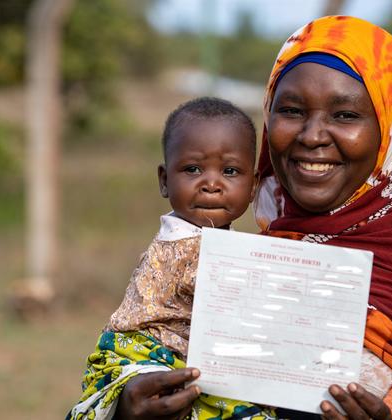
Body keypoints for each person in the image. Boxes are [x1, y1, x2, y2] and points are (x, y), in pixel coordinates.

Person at [73, 16, 392, 420]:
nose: (312, 136)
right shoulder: (235, 260)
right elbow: (129, 358)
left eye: (345, 115)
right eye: (291, 111)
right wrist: (125, 407)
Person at [68, 96, 264, 420]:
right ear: (164, 180)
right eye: (193, 169)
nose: (211, 184)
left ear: (253, 185)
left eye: (229, 171)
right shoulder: (185, 243)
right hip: (149, 354)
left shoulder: (215, 240)